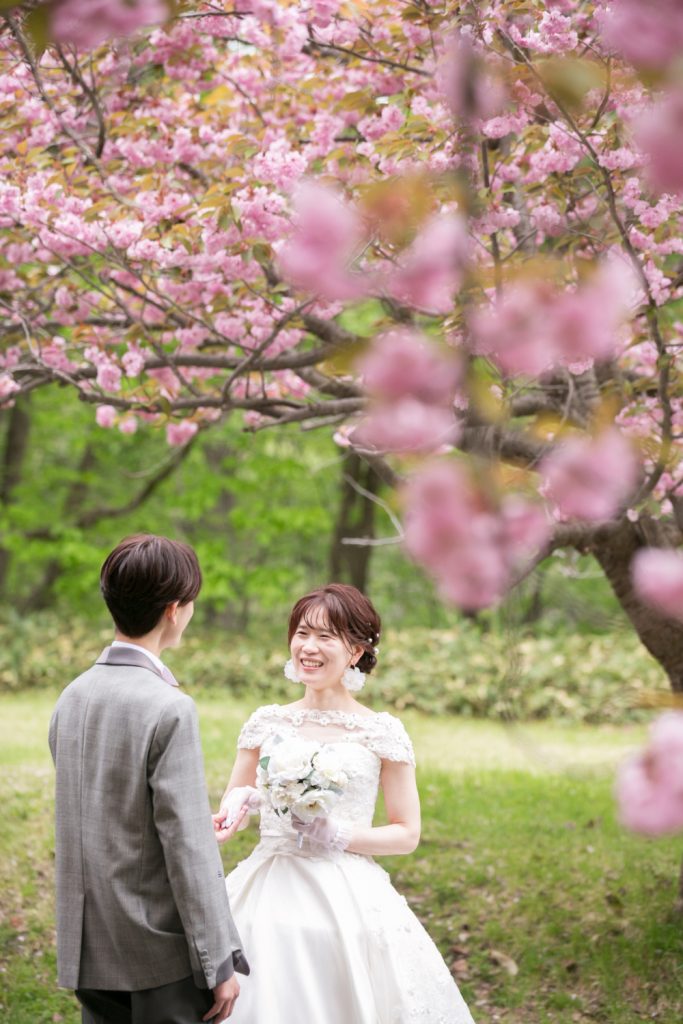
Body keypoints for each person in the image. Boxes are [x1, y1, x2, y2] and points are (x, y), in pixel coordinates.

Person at [215, 583, 475, 1023]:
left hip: (345, 894)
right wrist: (245, 800)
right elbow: (228, 815)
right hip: (268, 880)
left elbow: (407, 833)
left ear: (355, 651)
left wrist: (339, 835)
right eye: (301, 633)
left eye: (324, 637)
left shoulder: (381, 732)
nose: (308, 647)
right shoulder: (265, 722)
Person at [49, 533, 249, 1024]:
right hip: (158, 956)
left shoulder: (71, 697)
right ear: (174, 610)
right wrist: (218, 961)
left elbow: (106, 811)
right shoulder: (169, 708)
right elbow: (186, 848)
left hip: (89, 948)